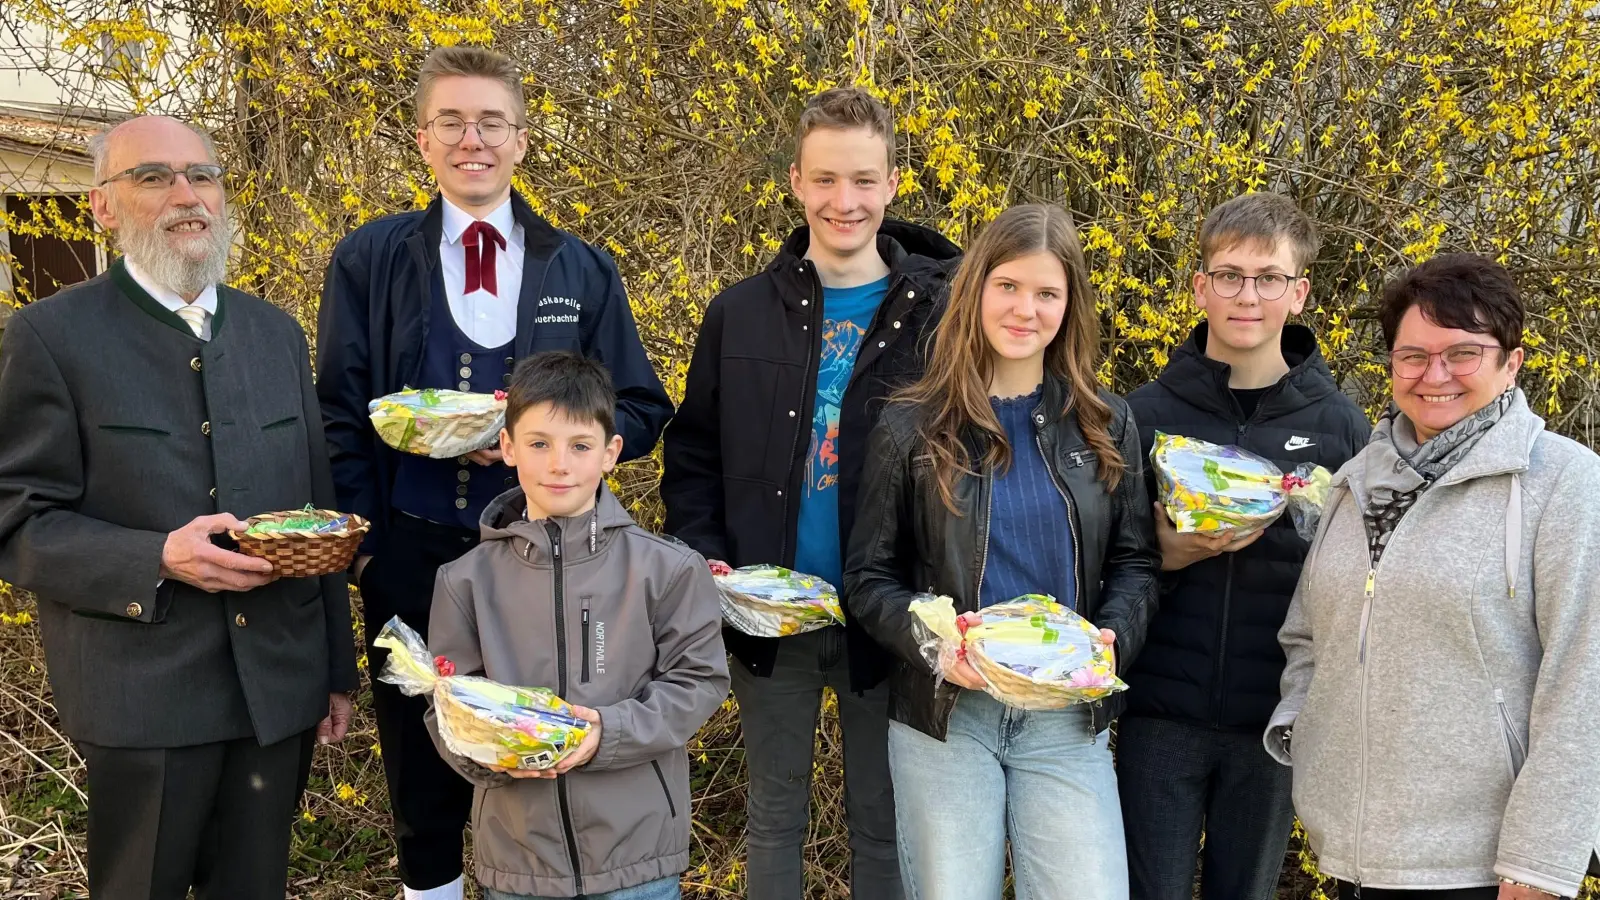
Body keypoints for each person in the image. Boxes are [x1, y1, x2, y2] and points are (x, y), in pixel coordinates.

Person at [316, 46, 674, 900]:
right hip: (411, 548)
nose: (471, 139)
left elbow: (642, 408)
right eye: (451, 122)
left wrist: (550, 442)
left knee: (542, 759)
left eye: (490, 122)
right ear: (422, 138)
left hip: (546, 560)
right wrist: (366, 550)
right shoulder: (370, 258)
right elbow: (336, 410)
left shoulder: (579, 267)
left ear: (520, 138)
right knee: (422, 772)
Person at [0, 115, 357, 899]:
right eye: (154, 176)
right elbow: (19, 521)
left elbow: (318, 509)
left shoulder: (276, 334)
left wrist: (336, 669)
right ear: (102, 205)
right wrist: (156, 556)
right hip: (143, 694)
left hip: (277, 688)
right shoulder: (50, 337)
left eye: (202, 175)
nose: (186, 195)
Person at [660, 87, 960, 900]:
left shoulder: (942, 318)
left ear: (893, 184)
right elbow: (690, 452)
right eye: (826, 180)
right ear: (795, 180)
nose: (844, 201)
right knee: (774, 814)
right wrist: (710, 562)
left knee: (883, 817)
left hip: (887, 617)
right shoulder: (740, 314)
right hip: (773, 616)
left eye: (863, 180)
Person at [844, 203, 1159, 900]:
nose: (1026, 308)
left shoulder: (1107, 424)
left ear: (1069, 304)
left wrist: (1115, 641)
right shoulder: (911, 426)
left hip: (1066, 716)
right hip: (948, 720)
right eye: (1009, 286)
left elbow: (1137, 562)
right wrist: (936, 646)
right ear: (976, 289)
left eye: (1047, 292)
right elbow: (867, 579)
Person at [1265, 253, 1600, 900]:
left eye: (1463, 353)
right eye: (1413, 355)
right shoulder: (1358, 482)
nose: (1434, 375)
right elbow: (1309, 635)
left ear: (1512, 362)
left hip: (1484, 870)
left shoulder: (1564, 484)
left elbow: (1585, 683)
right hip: (1354, 860)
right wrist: (1305, 736)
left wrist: (1538, 865)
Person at [1116, 193, 1370, 900]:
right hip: (1158, 715)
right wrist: (1166, 555)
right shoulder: (1143, 414)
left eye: (1268, 278)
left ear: (1300, 292)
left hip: (1273, 719)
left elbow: (1363, 582)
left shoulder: (1342, 429)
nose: (1247, 295)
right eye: (1228, 275)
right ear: (1200, 287)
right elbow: (1102, 569)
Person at [424, 351, 728, 900]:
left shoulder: (668, 569)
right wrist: (494, 754)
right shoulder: (463, 581)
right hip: (518, 862)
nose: (558, 464)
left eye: (580, 446)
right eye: (538, 444)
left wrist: (605, 735)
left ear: (611, 453)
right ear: (509, 447)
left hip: (638, 861)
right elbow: (448, 709)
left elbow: (700, 683)